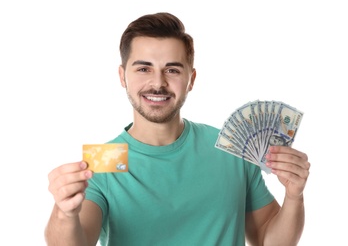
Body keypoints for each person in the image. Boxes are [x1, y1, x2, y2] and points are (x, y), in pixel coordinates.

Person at [45, 12, 310, 246]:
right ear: (122, 76)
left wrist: (294, 196)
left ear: (191, 79)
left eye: (172, 70)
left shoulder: (231, 150)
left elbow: (267, 240)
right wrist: (64, 213)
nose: (157, 83)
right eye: (144, 68)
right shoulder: (104, 160)